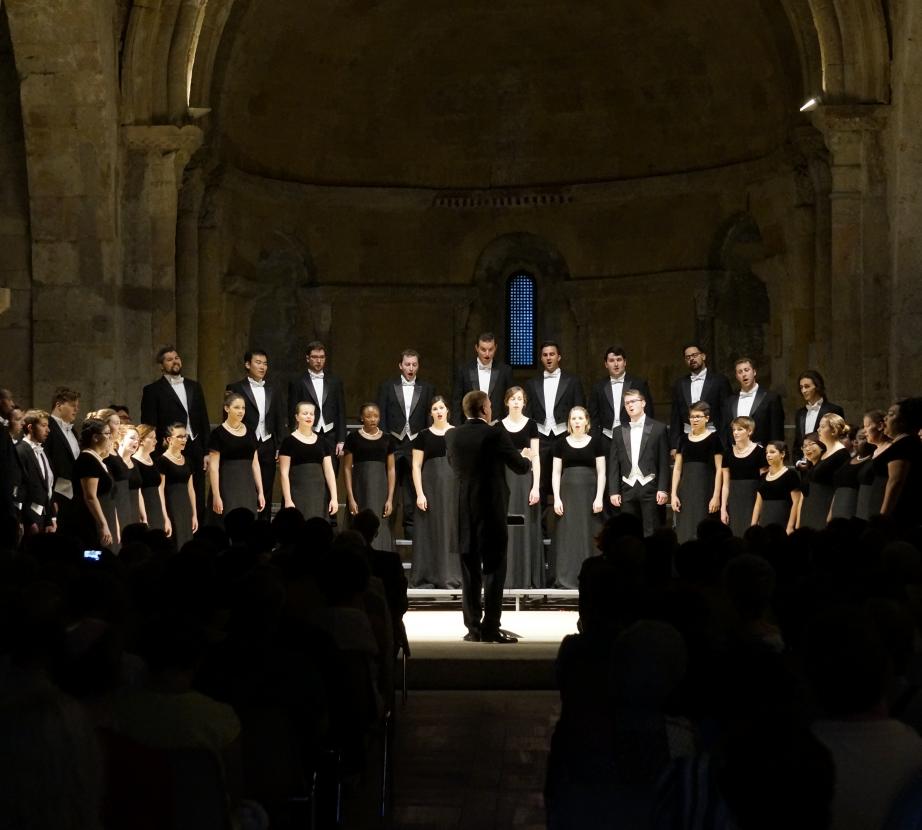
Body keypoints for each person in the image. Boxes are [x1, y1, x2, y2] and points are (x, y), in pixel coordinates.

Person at [446, 390, 532, 643]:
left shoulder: (452, 435)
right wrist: (527, 458)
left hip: (463, 509)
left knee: (469, 570)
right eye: (490, 406)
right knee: (494, 568)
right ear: (484, 409)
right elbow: (518, 466)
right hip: (490, 509)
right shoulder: (495, 433)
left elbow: (455, 465)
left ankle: (473, 628)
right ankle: (491, 627)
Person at [140, 345, 211, 517]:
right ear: (161, 365)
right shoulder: (152, 390)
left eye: (177, 357)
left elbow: (203, 420)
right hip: (168, 449)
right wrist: (157, 452)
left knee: (198, 490)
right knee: (174, 492)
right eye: (170, 359)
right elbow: (150, 424)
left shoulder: (194, 386)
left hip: (194, 445)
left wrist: (206, 451)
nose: (175, 361)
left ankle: (199, 531)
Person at [377, 349, 435, 539]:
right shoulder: (387, 386)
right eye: (407, 364)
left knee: (413, 488)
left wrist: (427, 443)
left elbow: (429, 417)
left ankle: (412, 533)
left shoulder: (426, 388)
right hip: (393, 442)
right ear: (400, 365)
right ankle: (386, 532)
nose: (411, 368)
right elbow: (382, 415)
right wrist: (385, 441)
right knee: (389, 488)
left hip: (415, 444)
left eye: (414, 364)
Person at [226, 348, 288, 521]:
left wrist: (279, 445)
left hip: (267, 443)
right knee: (246, 487)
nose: (262, 367)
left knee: (266, 489)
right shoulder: (235, 387)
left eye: (265, 363)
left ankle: (264, 529)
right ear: (247, 364)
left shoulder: (273, 389)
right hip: (245, 444)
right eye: (258, 363)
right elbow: (229, 419)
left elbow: (278, 417)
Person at [525, 341, 586, 506]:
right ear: (541, 358)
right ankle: (542, 529)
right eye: (545, 355)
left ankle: (567, 525)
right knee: (540, 482)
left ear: (559, 357)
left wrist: (577, 437)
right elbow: (528, 414)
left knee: (565, 480)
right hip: (541, 437)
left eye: (552, 354)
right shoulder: (532, 383)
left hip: (564, 436)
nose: (549, 358)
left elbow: (579, 408)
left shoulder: (572, 381)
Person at [409, 395, 461, 588]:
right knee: (430, 531)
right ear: (430, 413)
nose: (439, 412)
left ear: (447, 410)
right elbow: (416, 466)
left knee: (452, 529)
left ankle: (453, 575)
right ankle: (429, 576)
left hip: (454, 488)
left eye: (441, 407)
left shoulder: (458, 433)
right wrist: (420, 493)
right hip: (430, 488)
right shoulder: (423, 436)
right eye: (435, 409)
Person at [551, 407, 606, 588]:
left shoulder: (596, 442)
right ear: (569, 422)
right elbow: (556, 472)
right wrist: (557, 498)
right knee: (569, 534)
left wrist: (599, 497)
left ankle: (592, 579)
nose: (576, 421)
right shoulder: (560, 443)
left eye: (580, 418)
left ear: (586, 422)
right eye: (573, 418)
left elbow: (602, 472)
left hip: (590, 495)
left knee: (590, 533)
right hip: (568, 496)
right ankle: (567, 578)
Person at [497, 386, 543, 589]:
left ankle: (523, 575)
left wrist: (536, 487)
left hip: (524, 480)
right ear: (506, 402)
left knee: (522, 524)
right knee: (507, 524)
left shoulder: (531, 425)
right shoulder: (498, 426)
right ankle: (505, 577)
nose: (516, 402)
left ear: (524, 403)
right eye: (512, 398)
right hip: (504, 480)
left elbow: (536, 457)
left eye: (519, 399)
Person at [608, 389, 670, 537]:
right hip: (627, 487)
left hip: (649, 486)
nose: (630, 405)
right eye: (627, 403)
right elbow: (614, 464)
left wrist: (662, 488)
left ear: (643, 403)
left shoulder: (658, 428)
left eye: (633, 401)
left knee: (651, 530)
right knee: (628, 531)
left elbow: (663, 461)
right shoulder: (618, 431)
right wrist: (614, 491)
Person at [344, 403, 396, 551]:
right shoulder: (353, 438)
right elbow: (347, 469)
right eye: (368, 416)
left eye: (376, 416)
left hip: (380, 488)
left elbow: (391, 469)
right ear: (361, 418)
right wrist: (351, 497)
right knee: (358, 523)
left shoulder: (388, 439)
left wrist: (390, 498)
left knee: (380, 522)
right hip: (360, 487)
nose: (372, 419)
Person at [670, 401, 723, 543]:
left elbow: (719, 470)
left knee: (705, 530)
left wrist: (716, 496)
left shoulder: (714, 439)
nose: (694, 420)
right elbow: (677, 469)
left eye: (698, 416)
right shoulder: (682, 440)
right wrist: (674, 494)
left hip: (706, 490)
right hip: (686, 491)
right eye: (692, 417)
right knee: (685, 530)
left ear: (707, 418)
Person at [208, 391, 265, 521]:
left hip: (247, 487)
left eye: (243, 408)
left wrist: (260, 491)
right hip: (227, 487)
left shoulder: (250, 432)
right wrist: (216, 495)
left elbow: (255, 464)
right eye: (237, 407)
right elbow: (213, 468)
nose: (241, 411)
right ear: (227, 408)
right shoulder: (218, 434)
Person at [288, 340, 347, 460]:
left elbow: (341, 411)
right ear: (307, 358)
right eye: (314, 357)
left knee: (331, 474)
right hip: (306, 434)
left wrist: (341, 440)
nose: (318, 361)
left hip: (331, 435)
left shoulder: (335, 381)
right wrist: (295, 436)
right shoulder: (297, 382)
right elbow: (292, 411)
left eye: (322, 357)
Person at [278, 401, 338, 520]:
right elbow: (284, 473)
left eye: (312, 414)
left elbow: (329, 472)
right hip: (297, 494)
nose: (309, 416)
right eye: (305, 413)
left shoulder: (322, 442)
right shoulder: (288, 441)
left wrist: (334, 498)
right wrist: (288, 499)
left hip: (319, 495)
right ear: (297, 417)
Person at [669, 342, 732, 454]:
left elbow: (726, 414)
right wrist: (674, 445)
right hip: (688, 437)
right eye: (688, 357)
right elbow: (675, 416)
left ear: (703, 356)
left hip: (713, 436)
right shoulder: (679, 384)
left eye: (694, 355)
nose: (691, 359)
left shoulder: (720, 381)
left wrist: (725, 442)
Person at [62, 417, 115, 549]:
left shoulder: (97, 459)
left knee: (104, 558)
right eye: (107, 433)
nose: (110, 437)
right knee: (93, 556)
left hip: (101, 517)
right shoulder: (87, 459)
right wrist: (103, 525)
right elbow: (90, 496)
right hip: (90, 520)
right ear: (95, 437)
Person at [869, 397, 922, 526]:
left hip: (896, 516)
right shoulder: (899, 444)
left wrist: (883, 517)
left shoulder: (905, 444)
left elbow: (895, 482)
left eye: (891, 414)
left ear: (904, 421)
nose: (885, 418)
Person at [450, 331, 514, 427]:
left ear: (495, 348)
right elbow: (456, 402)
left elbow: (509, 401)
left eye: (490, 349)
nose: (487, 354)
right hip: (470, 427)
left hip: (497, 426)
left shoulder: (505, 371)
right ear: (476, 348)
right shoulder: (464, 370)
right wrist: (457, 428)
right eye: (483, 350)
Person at [798, 415, 850, 529]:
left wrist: (830, 515)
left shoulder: (842, 454)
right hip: (812, 508)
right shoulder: (825, 453)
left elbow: (839, 489)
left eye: (822, 426)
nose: (818, 430)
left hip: (824, 509)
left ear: (834, 431)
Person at [720, 416, 766, 537]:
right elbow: (725, 484)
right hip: (734, 499)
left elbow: (764, 483)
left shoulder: (760, 452)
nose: (735, 432)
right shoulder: (728, 453)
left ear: (749, 431)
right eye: (734, 429)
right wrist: (723, 508)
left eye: (739, 429)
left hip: (752, 498)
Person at [724, 357, 785, 447]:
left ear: (754, 372)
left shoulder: (771, 398)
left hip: (762, 453)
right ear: (737, 377)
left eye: (746, 370)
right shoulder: (730, 401)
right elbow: (726, 431)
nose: (744, 374)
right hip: (736, 453)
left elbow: (776, 431)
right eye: (740, 372)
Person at [157, 422, 198, 549]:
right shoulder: (162, 461)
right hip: (171, 507)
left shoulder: (188, 460)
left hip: (185, 508)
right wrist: (165, 517)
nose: (184, 439)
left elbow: (191, 489)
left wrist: (194, 514)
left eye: (185, 436)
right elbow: (160, 490)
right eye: (179, 436)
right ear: (169, 439)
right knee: (175, 543)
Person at [15, 410, 56, 536]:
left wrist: (50, 519)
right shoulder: (20, 451)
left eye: (47, 426)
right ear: (30, 427)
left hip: (43, 518)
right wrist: (28, 521)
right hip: (29, 520)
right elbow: (19, 489)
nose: (48, 430)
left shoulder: (42, 451)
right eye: (43, 426)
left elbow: (47, 487)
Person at [44, 386, 81, 523]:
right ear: (59, 405)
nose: (76, 409)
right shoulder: (47, 427)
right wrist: (52, 497)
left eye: (77, 406)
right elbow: (46, 463)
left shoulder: (73, 431)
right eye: (73, 405)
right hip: (58, 495)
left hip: (74, 494)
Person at [793, 370, 845, 461]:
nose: (803, 391)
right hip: (805, 468)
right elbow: (797, 442)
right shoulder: (800, 413)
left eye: (807, 386)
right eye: (801, 387)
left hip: (826, 462)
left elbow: (839, 439)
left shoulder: (834, 410)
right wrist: (797, 462)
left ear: (817, 386)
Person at [752, 441, 802, 533]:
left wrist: (790, 526)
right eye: (766, 453)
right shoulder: (763, 476)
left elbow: (796, 502)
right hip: (764, 522)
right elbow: (758, 504)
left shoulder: (790, 475)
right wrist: (753, 525)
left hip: (782, 522)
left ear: (782, 454)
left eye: (772, 452)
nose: (768, 455)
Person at [829, 427, 872, 521]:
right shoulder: (848, 461)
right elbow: (838, 489)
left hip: (854, 513)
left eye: (862, 438)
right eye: (856, 438)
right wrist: (830, 513)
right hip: (837, 511)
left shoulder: (871, 462)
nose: (856, 442)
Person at [856, 409, 889, 520]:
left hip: (880, 503)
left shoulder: (890, 448)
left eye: (867, 426)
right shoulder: (875, 451)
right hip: (866, 504)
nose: (864, 432)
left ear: (880, 426)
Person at [133, 423, 166, 530]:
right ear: (141, 440)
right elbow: (137, 491)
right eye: (151, 438)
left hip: (157, 509)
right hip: (144, 509)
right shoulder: (134, 462)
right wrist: (143, 516)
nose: (155, 441)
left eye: (155, 438)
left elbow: (159, 489)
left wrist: (165, 516)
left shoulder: (155, 461)